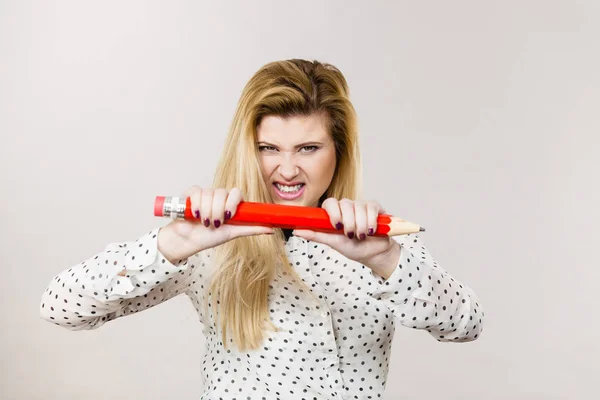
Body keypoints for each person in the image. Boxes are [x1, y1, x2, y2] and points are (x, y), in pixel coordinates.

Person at [40, 59, 485, 399]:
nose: (286, 170)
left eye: (308, 148)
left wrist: (384, 258)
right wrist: (174, 243)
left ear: (339, 152)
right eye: (268, 148)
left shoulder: (380, 238)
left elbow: (465, 323)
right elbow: (63, 307)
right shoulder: (207, 241)